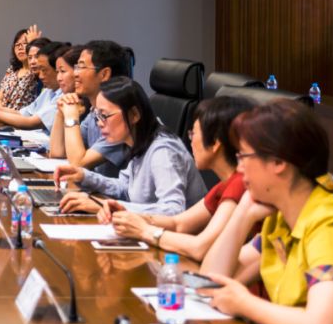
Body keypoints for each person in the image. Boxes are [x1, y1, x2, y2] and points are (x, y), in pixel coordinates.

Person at [200, 100, 333, 324]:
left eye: (244, 157)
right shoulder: (280, 216)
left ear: (278, 162)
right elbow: (209, 282)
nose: (239, 169)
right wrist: (243, 214)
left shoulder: (331, 222)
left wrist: (245, 304)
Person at [105, 97, 254, 259]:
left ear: (215, 143)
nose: (190, 141)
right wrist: (125, 214)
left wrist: (145, 231)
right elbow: (178, 224)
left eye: (193, 134)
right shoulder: (224, 185)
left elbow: (199, 248)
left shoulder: (239, 184)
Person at [54, 77, 206, 214]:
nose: (99, 123)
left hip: (180, 235)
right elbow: (125, 187)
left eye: (104, 115)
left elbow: (173, 209)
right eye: (97, 115)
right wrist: (84, 176)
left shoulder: (163, 151)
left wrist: (102, 205)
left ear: (134, 115)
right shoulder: (137, 140)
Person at [49, 39, 133, 177]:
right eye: (76, 67)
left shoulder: (121, 117)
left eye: (81, 67)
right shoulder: (95, 112)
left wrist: (71, 116)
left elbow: (78, 163)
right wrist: (61, 112)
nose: (75, 74)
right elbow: (57, 152)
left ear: (104, 74)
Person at [0, 41, 66, 131]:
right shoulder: (48, 91)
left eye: (44, 70)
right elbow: (23, 113)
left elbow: (31, 123)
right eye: (30, 57)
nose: (41, 76)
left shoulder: (64, 97)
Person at [0, 25, 40, 111]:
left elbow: (43, 59)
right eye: (17, 45)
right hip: (1, 115)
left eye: (25, 43)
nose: (20, 47)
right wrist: (1, 113)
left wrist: (35, 43)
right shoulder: (12, 70)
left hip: (20, 118)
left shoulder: (36, 70)